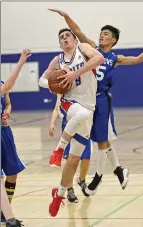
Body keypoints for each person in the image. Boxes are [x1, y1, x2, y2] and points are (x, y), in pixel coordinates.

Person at [47, 8, 143, 196]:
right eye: (101, 33)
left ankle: (99, 176)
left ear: (113, 40)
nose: (102, 36)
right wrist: (66, 16)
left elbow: (136, 60)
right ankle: (116, 171)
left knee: (101, 139)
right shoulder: (91, 48)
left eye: (106, 34)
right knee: (95, 139)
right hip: (83, 100)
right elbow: (77, 31)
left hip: (101, 100)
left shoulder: (115, 58)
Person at [39, 28, 104, 216]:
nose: (65, 38)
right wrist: (54, 81)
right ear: (60, 44)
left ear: (74, 40)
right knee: (81, 115)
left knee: (74, 160)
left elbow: (98, 58)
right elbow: (42, 80)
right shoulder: (57, 60)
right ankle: (59, 149)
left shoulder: (83, 49)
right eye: (61, 37)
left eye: (68, 36)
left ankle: (58, 194)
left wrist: (74, 74)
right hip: (69, 103)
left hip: (89, 106)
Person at [1, 49, 31, 227]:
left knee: (12, 173)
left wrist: (7, 111)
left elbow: (7, 100)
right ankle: (10, 218)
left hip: (4, 132)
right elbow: (6, 88)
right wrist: (20, 62)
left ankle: (4, 213)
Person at [48, 94, 92, 203]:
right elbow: (56, 108)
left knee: (86, 158)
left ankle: (82, 180)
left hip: (83, 127)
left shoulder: (82, 90)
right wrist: (52, 123)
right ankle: (70, 189)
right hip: (69, 129)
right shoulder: (62, 92)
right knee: (71, 162)